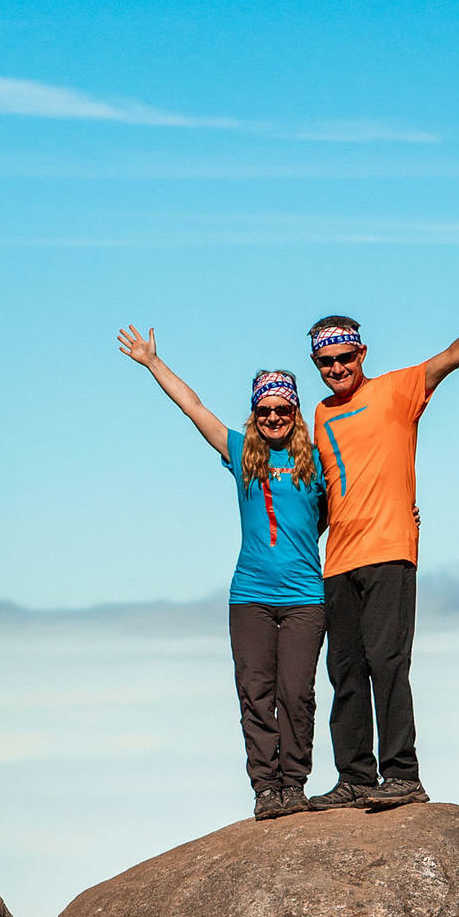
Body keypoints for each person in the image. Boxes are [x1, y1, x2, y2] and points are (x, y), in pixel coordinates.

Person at [305, 273, 459, 812]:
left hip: (391, 550)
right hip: (338, 561)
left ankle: (401, 775)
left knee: (387, 661)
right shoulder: (319, 416)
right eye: (326, 363)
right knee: (345, 670)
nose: (337, 369)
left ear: (361, 352)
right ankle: (355, 778)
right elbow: (327, 491)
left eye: (345, 358)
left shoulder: (397, 390)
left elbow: (452, 355)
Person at [117, 327, 326, 820]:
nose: (273, 418)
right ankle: (265, 789)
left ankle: (294, 783)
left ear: (295, 414)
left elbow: (351, 507)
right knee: (255, 694)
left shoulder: (317, 462)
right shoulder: (241, 453)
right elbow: (194, 407)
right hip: (249, 596)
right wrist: (153, 362)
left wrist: (408, 515)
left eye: (283, 410)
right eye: (265, 411)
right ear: (254, 415)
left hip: (305, 598)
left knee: (296, 694)